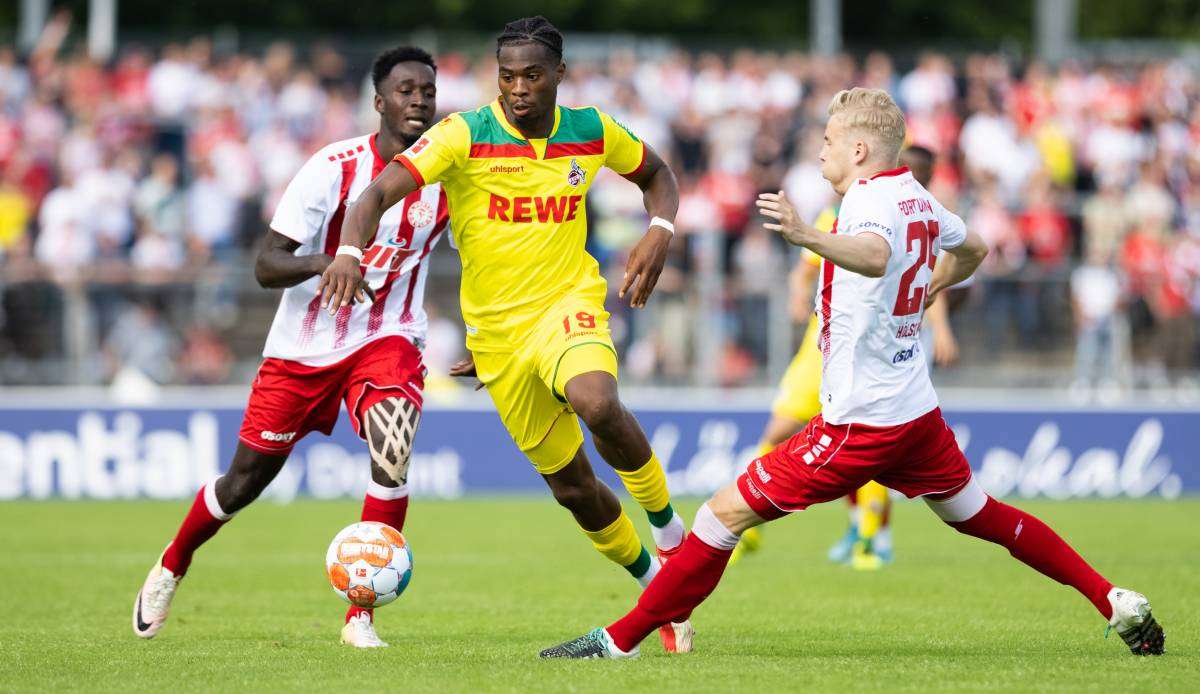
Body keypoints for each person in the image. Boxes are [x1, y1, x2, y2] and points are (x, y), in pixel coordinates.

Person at [540, 88, 1164, 660]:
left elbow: (874, 255)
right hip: (915, 412)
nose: (821, 150)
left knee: (717, 518)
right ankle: (1114, 599)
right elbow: (973, 249)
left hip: (860, 421)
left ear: (859, 149)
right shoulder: (916, 195)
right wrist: (931, 288)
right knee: (980, 514)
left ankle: (617, 643)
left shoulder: (867, 201)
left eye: (830, 140)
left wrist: (807, 235)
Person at [319, 17, 694, 652]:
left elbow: (658, 174)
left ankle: (670, 531)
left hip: (568, 304)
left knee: (597, 400)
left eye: (531, 76)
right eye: (507, 77)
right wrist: (350, 252)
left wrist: (660, 226)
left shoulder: (592, 130)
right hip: (498, 341)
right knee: (575, 490)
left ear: (559, 76)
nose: (518, 88)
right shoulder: (464, 134)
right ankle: (658, 588)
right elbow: (376, 194)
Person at [132, 46, 449, 649]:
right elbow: (264, 264)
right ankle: (172, 563)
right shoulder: (333, 166)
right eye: (405, 91)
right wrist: (329, 262)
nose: (418, 101)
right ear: (379, 103)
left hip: (387, 337)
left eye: (427, 92)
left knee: (394, 442)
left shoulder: (448, 179)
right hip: (302, 351)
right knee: (243, 483)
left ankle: (360, 616)